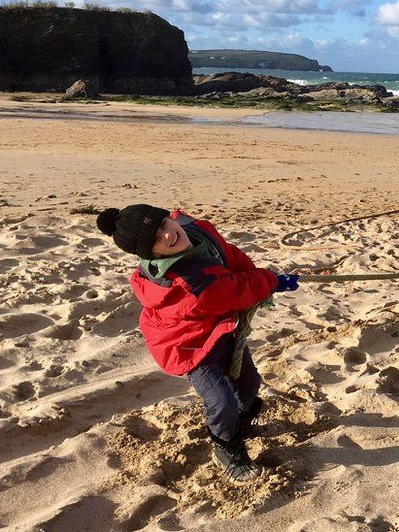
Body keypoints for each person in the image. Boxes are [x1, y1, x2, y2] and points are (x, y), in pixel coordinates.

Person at [96, 204, 302, 483]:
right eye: (158, 239)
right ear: (152, 254)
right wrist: (269, 280)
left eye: (165, 224)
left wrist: (260, 275)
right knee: (221, 400)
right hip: (189, 345)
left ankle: (240, 425)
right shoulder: (188, 283)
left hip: (220, 329)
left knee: (249, 383)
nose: (169, 235)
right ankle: (227, 448)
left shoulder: (199, 232)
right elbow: (233, 291)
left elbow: (230, 255)